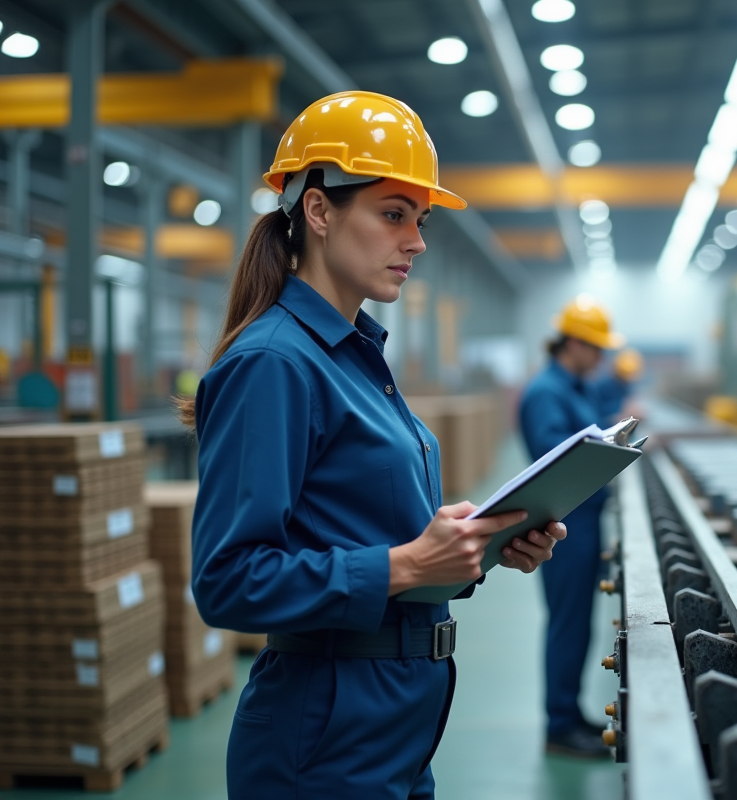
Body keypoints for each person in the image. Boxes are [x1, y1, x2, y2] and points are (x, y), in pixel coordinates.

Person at [180, 91, 567, 799]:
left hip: (398, 723)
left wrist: (472, 546)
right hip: (326, 734)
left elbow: (368, 537)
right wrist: (404, 563)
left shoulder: (354, 358)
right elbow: (227, 581)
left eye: (419, 221)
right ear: (320, 211)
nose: (416, 241)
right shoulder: (274, 363)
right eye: (393, 214)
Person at [518, 297, 631, 758]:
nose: (601, 358)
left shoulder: (573, 386)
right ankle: (559, 724)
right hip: (562, 526)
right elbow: (553, 465)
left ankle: (569, 713)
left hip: (582, 520)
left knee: (578, 624)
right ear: (573, 343)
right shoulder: (547, 392)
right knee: (567, 624)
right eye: (597, 348)